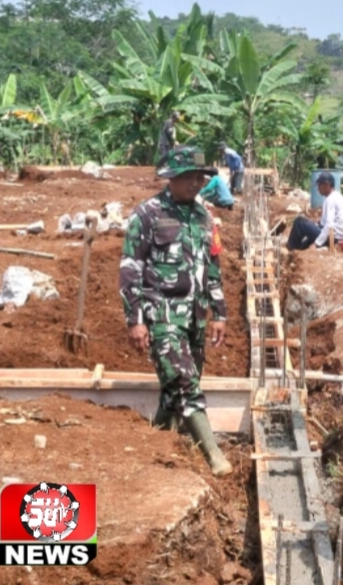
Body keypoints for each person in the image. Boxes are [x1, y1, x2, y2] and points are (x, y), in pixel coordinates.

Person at [120, 146, 232, 477]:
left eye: (201, 177)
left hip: (195, 317)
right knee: (185, 383)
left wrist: (220, 311)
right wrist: (135, 319)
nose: (196, 183)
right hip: (162, 316)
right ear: (172, 177)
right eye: (190, 177)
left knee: (175, 389)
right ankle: (213, 456)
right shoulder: (147, 214)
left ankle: (158, 444)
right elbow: (130, 268)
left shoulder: (204, 217)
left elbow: (213, 264)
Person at [287, 171, 343, 251]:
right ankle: (298, 251)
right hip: (338, 236)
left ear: (326, 185)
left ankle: (291, 248)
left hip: (332, 238)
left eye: (319, 185)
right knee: (304, 245)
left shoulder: (330, 200)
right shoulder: (338, 196)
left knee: (299, 222)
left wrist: (316, 244)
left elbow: (329, 225)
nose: (318, 188)